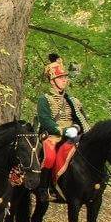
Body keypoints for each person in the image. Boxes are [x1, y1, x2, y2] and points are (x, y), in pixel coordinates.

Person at [37, 53, 90, 197]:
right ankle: (44, 188)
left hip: (73, 135)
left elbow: (81, 120)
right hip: (52, 135)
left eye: (65, 77)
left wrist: (76, 128)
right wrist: (64, 130)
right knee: (49, 157)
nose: (64, 80)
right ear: (52, 81)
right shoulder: (44, 99)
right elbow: (45, 120)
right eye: (61, 78)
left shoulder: (72, 100)